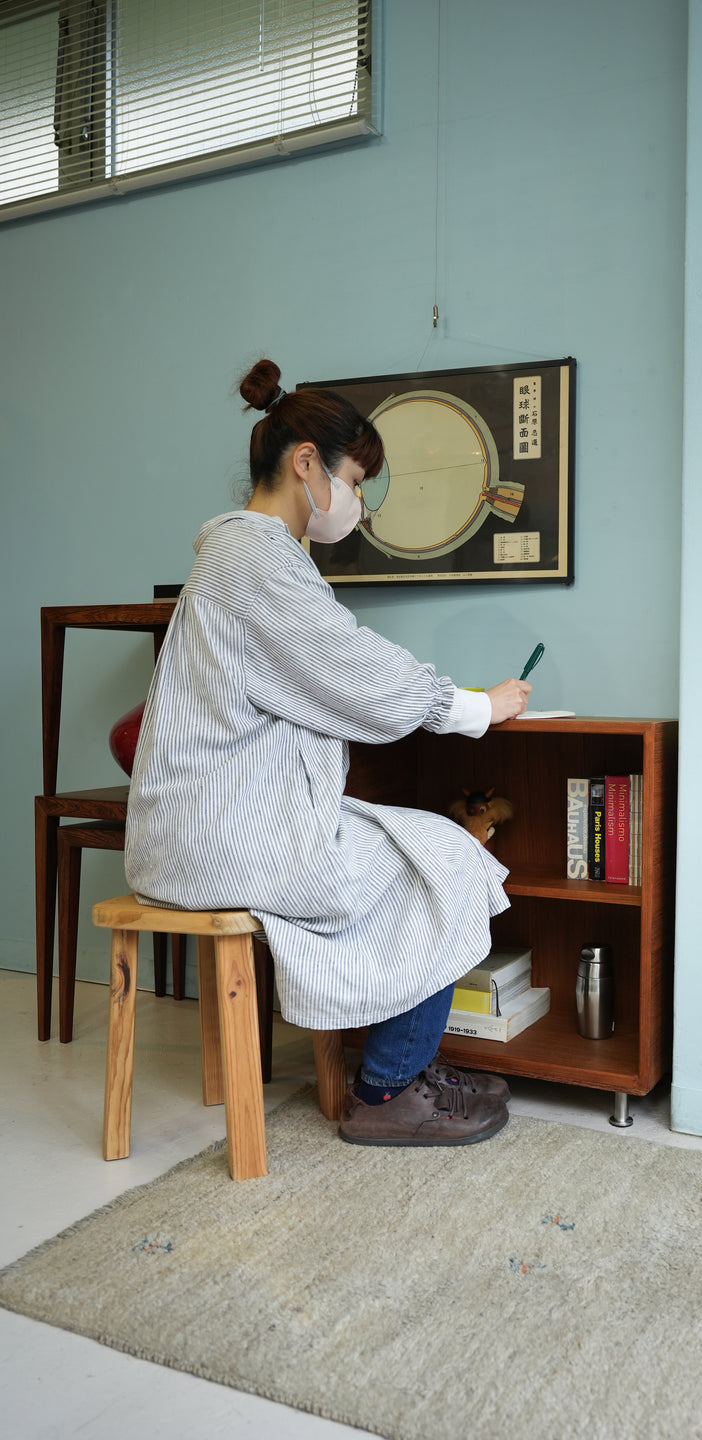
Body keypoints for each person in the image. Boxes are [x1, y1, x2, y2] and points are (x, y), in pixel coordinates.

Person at [125, 358, 532, 1147]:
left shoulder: (256, 558)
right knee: (442, 857)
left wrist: (459, 704)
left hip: (221, 818)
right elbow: (359, 673)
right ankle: (388, 1092)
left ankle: (402, 1070)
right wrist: (481, 705)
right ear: (306, 464)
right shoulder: (253, 559)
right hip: (216, 833)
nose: (358, 505)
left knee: (425, 848)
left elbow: (335, 672)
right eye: (354, 481)